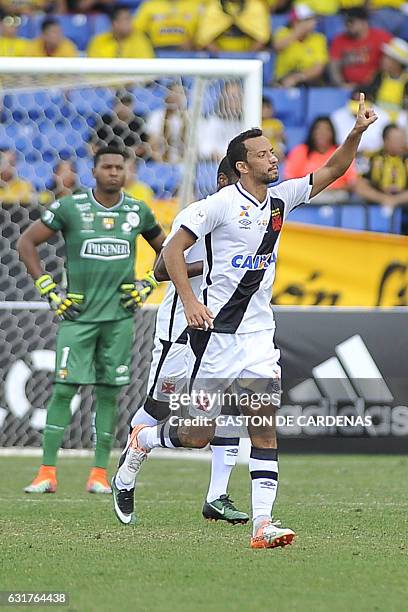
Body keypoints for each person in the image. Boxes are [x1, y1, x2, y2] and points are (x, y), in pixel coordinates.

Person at [111, 95, 378, 549]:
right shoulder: (214, 207)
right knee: (196, 435)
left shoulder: (279, 200)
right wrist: (192, 302)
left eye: (273, 152)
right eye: (263, 154)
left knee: (263, 424)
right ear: (241, 166)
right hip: (216, 338)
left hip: (258, 336)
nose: (273, 158)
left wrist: (355, 134)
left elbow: (331, 172)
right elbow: (170, 253)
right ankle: (145, 440)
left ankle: (262, 525)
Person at [17, 146, 166, 495]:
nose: (114, 172)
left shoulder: (137, 211)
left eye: (120, 167)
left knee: (109, 393)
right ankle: (46, 473)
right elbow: (26, 243)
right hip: (78, 316)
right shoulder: (71, 207)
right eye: (107, 167)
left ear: (127, 173)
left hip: (119, 317)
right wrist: (50, 291)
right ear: (94, 172)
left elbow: (169, 250)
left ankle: (99, 474)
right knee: (64, 388)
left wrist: (146, 284)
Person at [112, 157, 249, 526]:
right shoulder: (200, 214)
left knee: (229, 406)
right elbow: (159, 270)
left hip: (223, 330)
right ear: (225, 179)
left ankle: (216, 496)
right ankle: (126, 474)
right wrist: (211, 267)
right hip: (180, 330)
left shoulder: (248, 222)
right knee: (159, 407)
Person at [285, 116, 357, 203]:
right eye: (318, 129)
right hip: (307, 196)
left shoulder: (341, 152)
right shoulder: (300, 151)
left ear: (332, 133)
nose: (322, 133)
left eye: (326, 129)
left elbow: (351, 181)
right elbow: (289, 179)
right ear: (312, 132)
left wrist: (331, 189)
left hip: (336, 196)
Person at [330, 7, 392, 88]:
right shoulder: (339, 39)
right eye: (346, 22)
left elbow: (392, 62)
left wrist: (376, 81)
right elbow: (333, 65)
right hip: (348, 87)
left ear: (364, 22)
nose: (348, 25)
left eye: (351, 21)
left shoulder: (381, 37)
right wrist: (341, 84)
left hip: (375, 86)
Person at [354, 123, 408, 214]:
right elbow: (360, 187)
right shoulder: (372, 158)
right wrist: (383, 199)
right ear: (385, 140)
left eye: (402, 139)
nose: (401, 143)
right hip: (376, 205)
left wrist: (395, 200)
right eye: (396, 139)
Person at [273, 3, 328, 87]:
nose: (313, 23)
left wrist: (297, 78)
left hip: (307, 80)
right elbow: (277, 47)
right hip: (282, 79)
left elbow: (318, 68)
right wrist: (297, 33)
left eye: (313, 19)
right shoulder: (283, 33)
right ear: (296, 22)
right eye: (308, 20)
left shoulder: (318, 38)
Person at [330, 88, 399, 154]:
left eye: (361, 100)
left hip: (375, 157)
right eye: (355, 100)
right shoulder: (337, 116)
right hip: (346, 157)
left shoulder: (383, 116)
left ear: (369, 100)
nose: (358, 103)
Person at [89, 90, 149, 160]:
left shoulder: (137, 123)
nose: (124, 107)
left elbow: (143, 147)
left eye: (127, 104)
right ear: (114, 105)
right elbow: (91, 145)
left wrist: (133, 151)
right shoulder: (104, 121)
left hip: (129, 161)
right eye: (121, 103)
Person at [195, 0, 270, 53]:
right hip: (218, 58)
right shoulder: (213, 6)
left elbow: (262, 38)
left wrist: (247, 57)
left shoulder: (255, 6)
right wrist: (221, 57)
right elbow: (204, 38)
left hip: (249, 58)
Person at [197, 81, 243, 160]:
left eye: (236, 97)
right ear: (222, 98)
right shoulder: (211, 122)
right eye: (229, 97)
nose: (233, 101)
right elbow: (203, 149)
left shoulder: (248, 122)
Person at [87, 6, 154, 59]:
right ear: (115, 23)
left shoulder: (141, 40)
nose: (131, 22)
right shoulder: (98, 42)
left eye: (131, 18)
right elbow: (94, 71)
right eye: (126, 19)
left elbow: (145, 70)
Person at [145, 82, 188, 164]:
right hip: (161, 163)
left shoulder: (189, 118)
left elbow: (193, 147)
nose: (176, 96)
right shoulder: (156, 116)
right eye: (173, 92)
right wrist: (163, 164)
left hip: (184, 163)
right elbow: (152, 147)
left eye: (180, 93)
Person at [133, 0, 200, 51]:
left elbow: (204, 31)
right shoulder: (149, 5)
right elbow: (136, 31)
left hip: (189, 52)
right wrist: (148, 45)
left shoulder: (196, 4)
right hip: (156, 50)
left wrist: (194, 41)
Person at [368, 37, 408, 120]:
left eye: (388, 58)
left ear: (398, 63)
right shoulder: (379, 76)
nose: (383, 60)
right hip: (377, 119)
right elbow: (370, 97)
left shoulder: (406, 80)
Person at [261, 96, 285, 162]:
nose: (266, 110)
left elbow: (282, 138)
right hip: (260, 149)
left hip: (274, 148)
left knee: (279, 151)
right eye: (263, 108)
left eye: (268, 107)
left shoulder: (276, 123)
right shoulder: (256, 122)